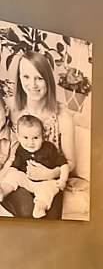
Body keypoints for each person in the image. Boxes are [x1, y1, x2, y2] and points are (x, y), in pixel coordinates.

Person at [3, 52, 75, 218]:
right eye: (26, 77)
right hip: (20, 177)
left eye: (39, 78)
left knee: (49, 214)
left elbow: (71, 162)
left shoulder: (63, 117)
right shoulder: (13, 110)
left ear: (48, 80)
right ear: (20, 78)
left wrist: (50, 174)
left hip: (49, 180)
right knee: (27, 211)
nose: (32, 84)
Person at [0, 114, 69, 217]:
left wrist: (63, 180)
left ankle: (41, 206)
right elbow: (14, 167)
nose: (30, 142)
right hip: (27, 181)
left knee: (50, 188)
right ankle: (4, 190)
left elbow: (64, 164)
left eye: (35, 138)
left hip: (45, 182)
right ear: (18, 137)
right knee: (14, 174)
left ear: (43, 136)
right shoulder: (21, 149)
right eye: (25, 138)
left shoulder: (49, 148)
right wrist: (10, 177)